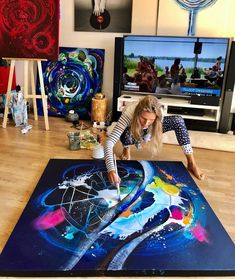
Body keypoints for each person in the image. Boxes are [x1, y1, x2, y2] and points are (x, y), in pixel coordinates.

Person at [104, 95, 205, 187]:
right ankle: (126, 147)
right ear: (138, 113)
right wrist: (111, 169)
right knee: (125, 134)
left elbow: (151, 128)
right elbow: (109, 142)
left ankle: (191, 163)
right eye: (143, 118)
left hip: (149, 130)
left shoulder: (160, 113)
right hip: (132, 128)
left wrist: (146, 139)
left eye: (151, 119)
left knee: (178, 121)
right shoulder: (128, 113)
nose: (146, 123)